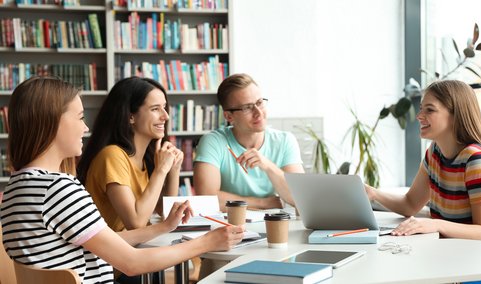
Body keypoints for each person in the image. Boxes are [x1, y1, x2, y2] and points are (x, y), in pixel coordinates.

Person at [0, 76, 244, 283]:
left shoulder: (18, 186)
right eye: (80, 117)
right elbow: (131, 263)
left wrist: (162, 227)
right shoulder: (59, 188)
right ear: (52, 121)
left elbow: (99, 240)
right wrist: (206, 243)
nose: (85, 128)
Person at [365, 80, 481, 284]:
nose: (420, 116)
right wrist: (373, 194)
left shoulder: (476, 161)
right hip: (473, 261)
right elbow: (410, 204)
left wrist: (435, 225)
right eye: (421, 109)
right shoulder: (434, 154)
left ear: (456, 115)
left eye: (429, 110)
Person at [77, 77, 182, 232]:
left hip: (138, 248)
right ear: (130, 116)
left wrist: (173, 170)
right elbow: (135, 223)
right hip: (113, 254)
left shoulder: (145, 158)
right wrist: (161, 170)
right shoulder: (112, 156)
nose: (165, 116)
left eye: (164, 107)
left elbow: (164, 213)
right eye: (155, 109)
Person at [193, 73, 304, 211]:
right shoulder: (213, 142)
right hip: (227, 226)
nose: (258, 112)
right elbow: (206, 198)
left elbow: (300, 198)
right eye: (247, 107)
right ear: (228, 116)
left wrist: (267, 165)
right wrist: (262, 204)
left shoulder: (285, 140)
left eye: (259, 103)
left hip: (271, 222)